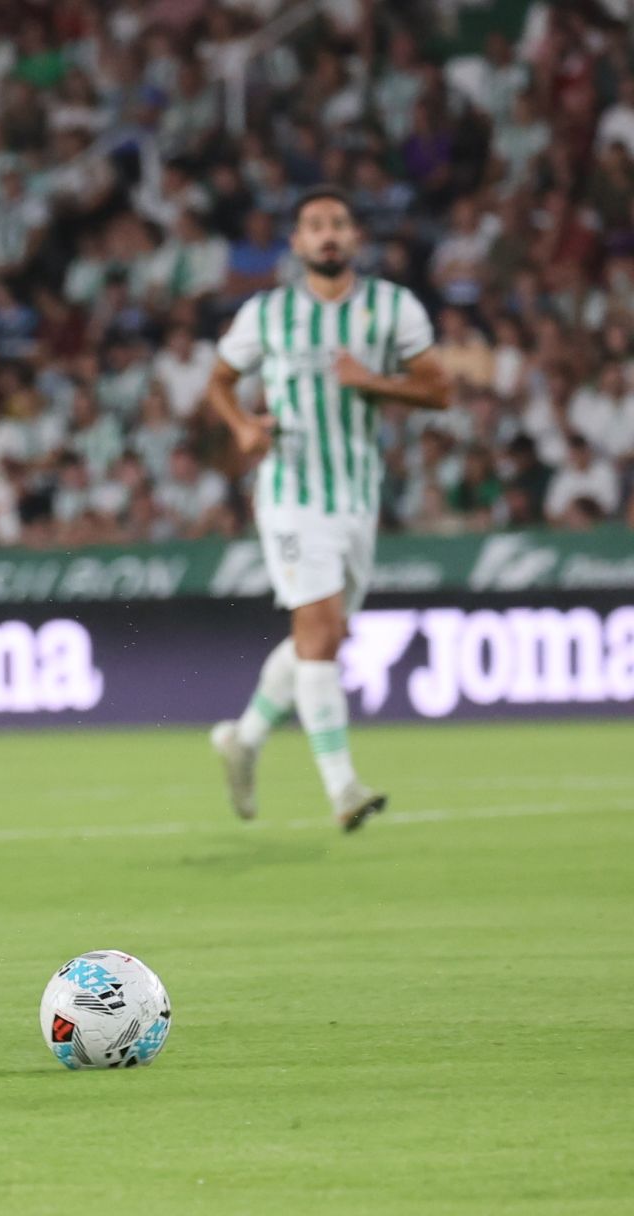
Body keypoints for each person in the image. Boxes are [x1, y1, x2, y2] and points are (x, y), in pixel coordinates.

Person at [203, 187, 448, 830]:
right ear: (298, 243)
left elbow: (439, 389)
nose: (327, 234)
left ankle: (246, 738)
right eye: (314, 225)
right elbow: (219, 381)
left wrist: (375, 382)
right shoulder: (269, 313)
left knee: (325, 634)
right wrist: (242, 428)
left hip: (357, 495)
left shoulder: (394, 308)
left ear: (355, 238)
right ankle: (343, 789)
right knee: (317, 626)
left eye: (338, 223)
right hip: (289, 491)